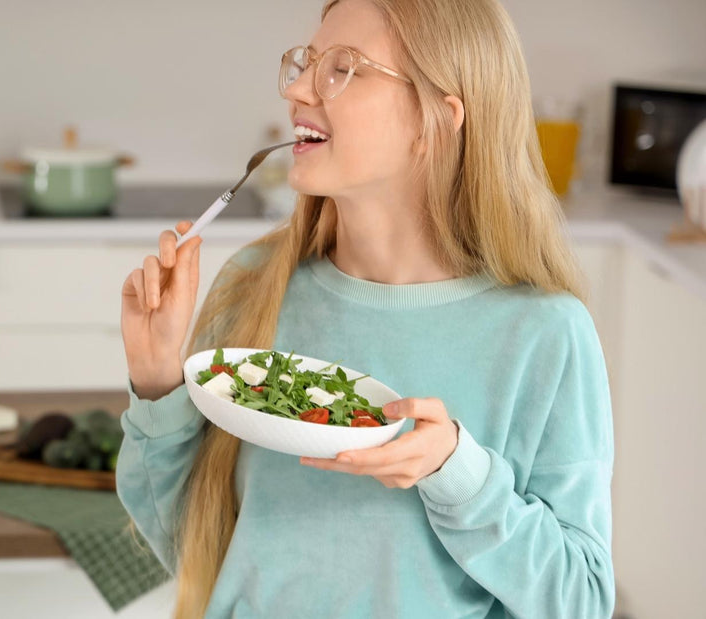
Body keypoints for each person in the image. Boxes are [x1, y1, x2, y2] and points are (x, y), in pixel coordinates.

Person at [116, 0, 616, 617]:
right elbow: (192, 546)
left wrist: (457, 473)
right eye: (304, 65)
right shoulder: (253, 286)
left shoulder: (542, 332)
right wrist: (157, 379)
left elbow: (582, 600)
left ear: (436, 118)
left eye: (341, 68)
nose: (297, 88)